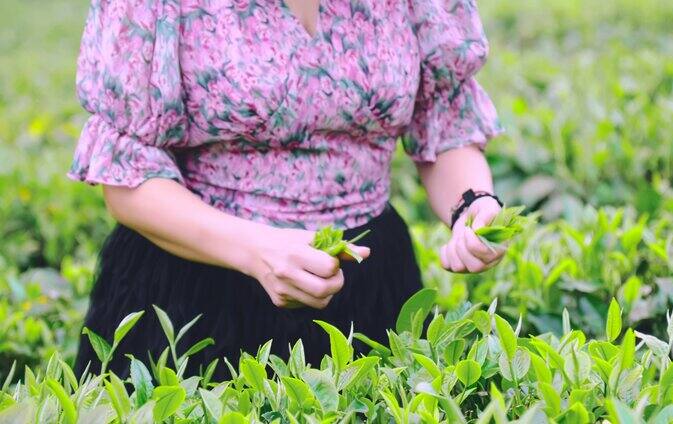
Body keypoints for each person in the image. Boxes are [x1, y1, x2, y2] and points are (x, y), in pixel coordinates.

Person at [69, 0, 507, 380]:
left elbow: (443, 115)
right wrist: (256, 251)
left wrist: (472, 203)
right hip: (195, 292)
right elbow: (127, 171)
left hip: (370, 284)